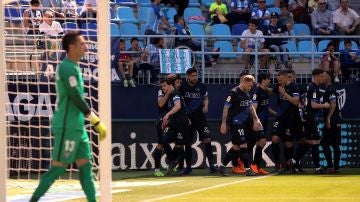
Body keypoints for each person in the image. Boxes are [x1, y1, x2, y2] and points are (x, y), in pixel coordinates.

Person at [30, 32, 107, 202]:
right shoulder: (66, 67)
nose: (85, 46)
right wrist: (94, 119)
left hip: (78, 127)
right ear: (71, 47)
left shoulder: (74, 67)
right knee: (59, 168)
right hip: (67, 126)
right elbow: (74, 95)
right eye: (82, 43)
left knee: (86, 168)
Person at [218, 75, 261, 176]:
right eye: (249, 85)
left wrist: (256, 119)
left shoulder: (247, 92)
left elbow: (250, 107)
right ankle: (248, 169)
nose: (250, 88)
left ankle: (222, 167)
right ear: (245, 81)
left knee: (236, 147)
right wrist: (223, 123)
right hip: (236, 122)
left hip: (244, 122)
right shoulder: (234, 92)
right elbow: (226, 108)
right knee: (243, 145)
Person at [178, 68, 218, 174]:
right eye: (193, 76)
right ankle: (188, 167)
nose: (195, 78)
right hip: (188, 118)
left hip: (200, 117)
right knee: (188, 143)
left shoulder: (201, 86)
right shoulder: (182, 87)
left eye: (196, 75)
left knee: (207, 139)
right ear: (187, 76)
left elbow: (205, 98)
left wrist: (206, 105)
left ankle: (212, 165)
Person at [291, 68, 330, 174]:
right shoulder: (313, 88)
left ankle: (294, 161)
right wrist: (325, 105)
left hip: (308, 117)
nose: (323, 78)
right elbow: (313, 105)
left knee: (308, 142)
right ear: (316, 76)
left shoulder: (310, 86)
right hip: (310, 118)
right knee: (315, 141)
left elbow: (303, 100)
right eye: (322, 76)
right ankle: (317, 168)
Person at [270, 70, 300, 173]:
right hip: (279, 118)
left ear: (287, 78)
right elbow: (271, 91)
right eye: (278, 80)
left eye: (281, 80)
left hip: (290, 118)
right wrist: (262, 87)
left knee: (288, 142)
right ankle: (277, 163)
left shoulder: (294, 87)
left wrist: (285, 94)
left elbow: (296, 102)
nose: (279, 81)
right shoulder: (278, 86)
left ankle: (289, 164)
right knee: (274, 138)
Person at [161, 78, 192, 174]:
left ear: (170, 86)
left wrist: (167, 115)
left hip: (181, 123)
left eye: (164, 86)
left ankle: (179, 166)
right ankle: (172, 161)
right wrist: (167, 121)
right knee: (164, 141)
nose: (163, 88)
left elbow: (178, 106)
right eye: (162, 86)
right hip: (174, 124)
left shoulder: (175, 94)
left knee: (179, 145)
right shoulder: (170, 96)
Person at [249, 72, 274, 175]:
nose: (270, 80)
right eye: (268, 79)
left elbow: (265, 107)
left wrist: (276, 113)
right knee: (261, 142)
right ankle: (254, 165)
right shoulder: (256, 92)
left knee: (259, 143)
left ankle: (257, 167)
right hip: (258, 121)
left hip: (265, 120)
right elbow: (253, 108)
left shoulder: (265, 91)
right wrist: (255, 121)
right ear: (263, 80)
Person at [321, 71, 342, 173]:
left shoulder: (331, 89)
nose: (321, 78)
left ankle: (332, 166)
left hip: (332, 121)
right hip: (333, 121)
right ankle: (335, 167)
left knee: (326, 143)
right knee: (333, 144)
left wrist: (328, 118)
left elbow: (333, 103)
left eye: (323, 76)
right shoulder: (328, 89)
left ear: (329, 77)